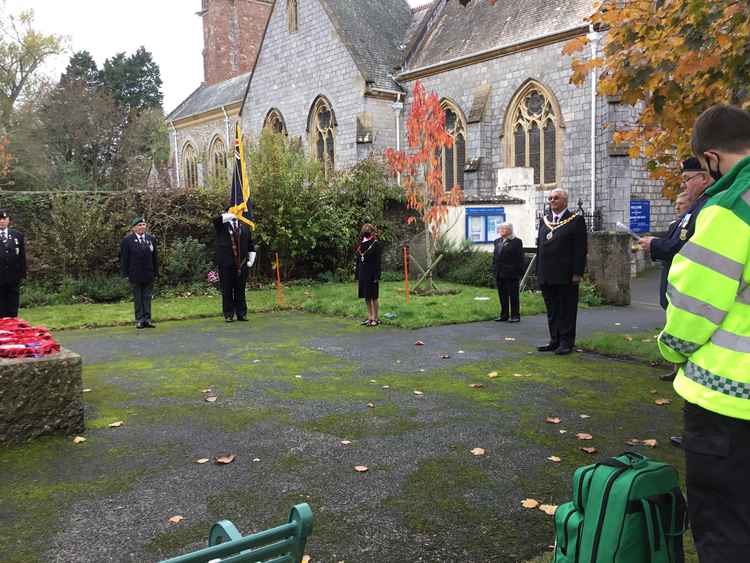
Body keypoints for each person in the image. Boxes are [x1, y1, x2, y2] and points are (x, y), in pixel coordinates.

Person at [658, 104, 750, 563]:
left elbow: (693, 306)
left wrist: (671, 348)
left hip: (728, 405)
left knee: (724, 530)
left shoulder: (732, 207)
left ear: (711, 158)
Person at [638, 157, 713, 382]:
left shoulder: (706, 207)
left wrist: (654, 244)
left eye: (687, 179)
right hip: (676, 282)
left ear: (704, 178)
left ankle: (684, 369)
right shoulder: (694, 209)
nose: (684, 185)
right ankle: (677, 366)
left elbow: (683, 246)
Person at [536, 188, 587, 355]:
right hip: (546, 274)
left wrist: (577, 272)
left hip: (566, 275)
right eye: (550, 198)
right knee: (552, 310)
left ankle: (566, 342)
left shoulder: (575, 220)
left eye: (555, 198)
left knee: (566, 309)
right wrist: (539, 271)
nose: (552, 201)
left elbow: (580, 249)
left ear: (564, 201)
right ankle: (555, 340)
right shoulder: (545, 220)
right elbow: (540, 248)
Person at [213, 209, 256, 322]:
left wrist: (251, 260)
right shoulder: (222, 225)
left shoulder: (245, 226)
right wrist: (232, 214)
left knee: (240, 290)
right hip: (225, 263)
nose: (239, 212)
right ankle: (228, 314)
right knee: (227, 289)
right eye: (237, 210)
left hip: (241, 264)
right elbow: (215, 220)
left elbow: (251, 245)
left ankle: (242, 313)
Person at [120, 217, 158, 329]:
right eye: (139, 225)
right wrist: (125, 274)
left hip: (148, 273)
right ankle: (140, 320)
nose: (142, 227)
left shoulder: (151, 239)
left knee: (147, 297)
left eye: (143, 224)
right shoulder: (127, 241)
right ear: (134, 228)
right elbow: (124, 259)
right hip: (135, 274)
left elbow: (155, 257)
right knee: (138, 298)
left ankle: (147, 319)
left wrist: (156, 272)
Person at [491, 222, 523, 322]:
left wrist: (518, 272)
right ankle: (504, 315)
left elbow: (520, 258)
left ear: (509, 230)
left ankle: (515, 316)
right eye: (500, 229)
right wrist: (494, 269)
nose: (501, 231)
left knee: (513, 295)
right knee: (502, 295)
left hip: (511, 273)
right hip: (499, 273)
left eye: (503, 229)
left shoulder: (516, 242)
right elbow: (495, 257)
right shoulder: (497, 241)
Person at [0, 210, 26, 318]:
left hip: (13, 278)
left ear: (8, 220)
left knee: (13, 306)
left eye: (4, 219)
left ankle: (13, 329)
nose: (1, 221)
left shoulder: (17, 235)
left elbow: (21, 257)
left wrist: (22, 274)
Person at [355, 223, 382, 326]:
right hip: (363, 273)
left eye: (367, 230)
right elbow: (358, 260)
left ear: (371, 232)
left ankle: (376, 318)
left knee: (374, 296)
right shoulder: (360, 244)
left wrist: (377, 276)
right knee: (366, 296)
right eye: (364, 230)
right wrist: (357, 274)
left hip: (372, 273)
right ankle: (370, 317)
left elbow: (378, 262)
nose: (365, 232)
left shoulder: (376, 244)